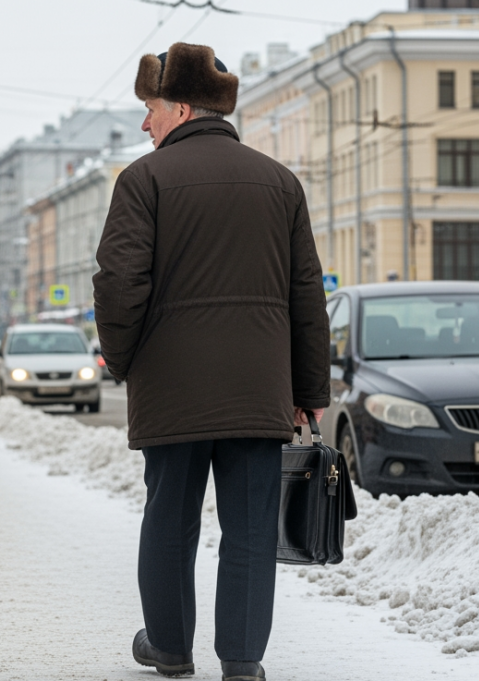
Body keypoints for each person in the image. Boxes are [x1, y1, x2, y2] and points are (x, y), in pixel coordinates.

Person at [92, 43, 330, 681]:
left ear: (181, 107)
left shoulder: (143, 181)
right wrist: (309, 386)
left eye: (149, 109)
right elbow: (307, 294)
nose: (145, 124)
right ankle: (243, 660)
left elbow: (118, 283)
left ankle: (169, 647)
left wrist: (122, 355)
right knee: (251, 527)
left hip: (171, 387)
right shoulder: (280, 182)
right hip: (258, 390)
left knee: (169, 518)